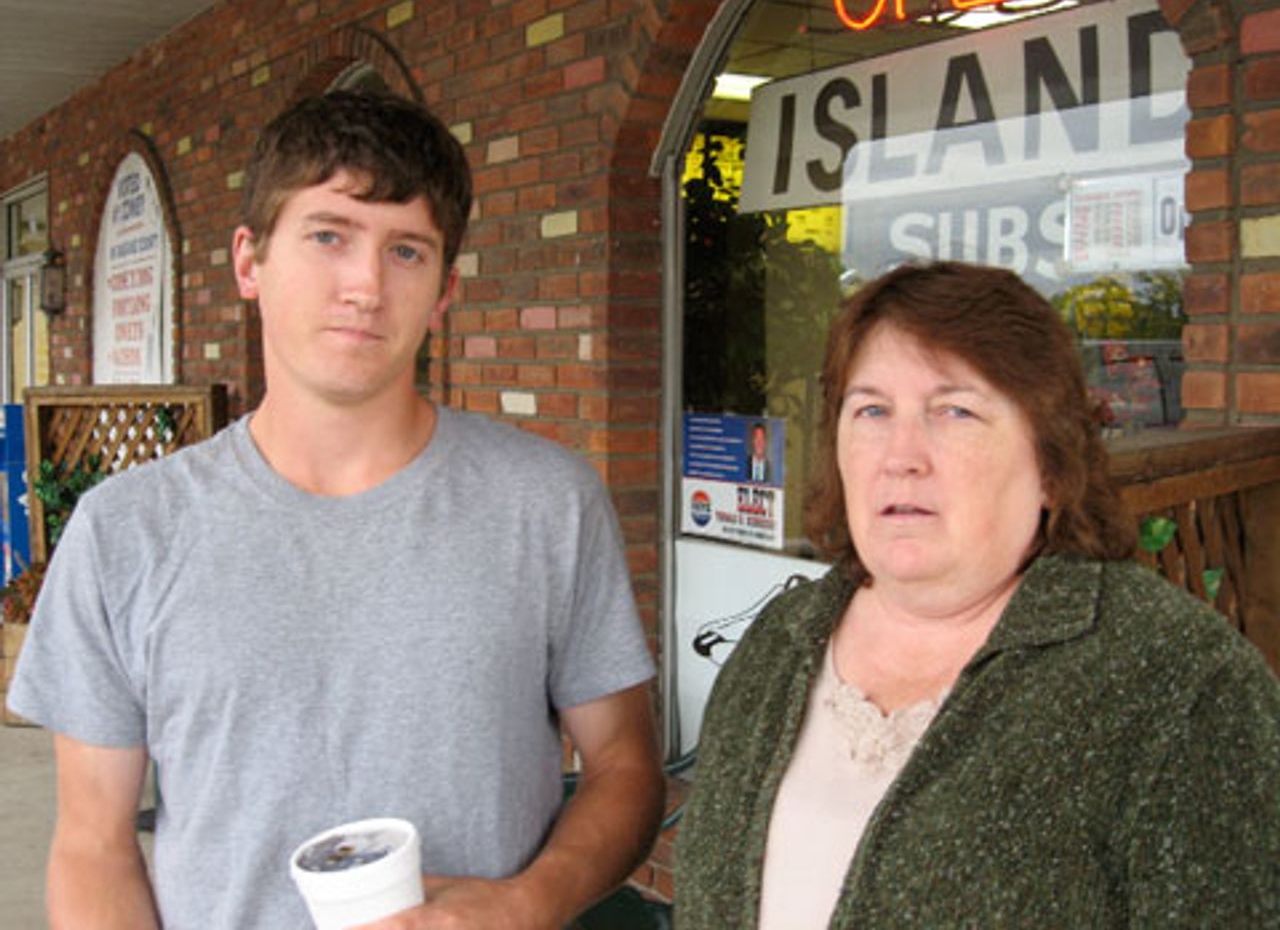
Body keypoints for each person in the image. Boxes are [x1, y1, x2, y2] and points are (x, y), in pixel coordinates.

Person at [10, 91, 664, 930]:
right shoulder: (126, 531)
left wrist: (527, 904)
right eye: (328, 236)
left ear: (443, 291)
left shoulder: (547, 503)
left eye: (406, 251)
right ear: (249, 262)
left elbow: (626, 768)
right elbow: (93, 845)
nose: (365, 285)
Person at [676, 261, 1280, 928]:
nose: (901, 454)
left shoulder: (1183, 685)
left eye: (954, 410)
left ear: (1050, 463)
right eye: (872, 409)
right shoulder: (782, 637)